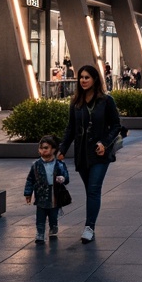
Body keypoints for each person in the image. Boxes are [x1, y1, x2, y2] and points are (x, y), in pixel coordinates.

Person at [58, 64, 122, 243]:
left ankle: (89, 227)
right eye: (81, 77)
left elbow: (116, 125)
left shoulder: (106, 101)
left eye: (87, 77)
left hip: (100, 153)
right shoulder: (76, 103)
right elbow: (71, 128)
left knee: (94, 189)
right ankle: (90, 222)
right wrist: (62, 149)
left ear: (95, 79)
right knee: (90, 190)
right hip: (82, 153)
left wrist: (105, 143)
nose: (83, 80)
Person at [24, 134, 70, 243]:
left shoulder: (59, 164)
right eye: (41, 148)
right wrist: (28, 193)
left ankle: (53, 227)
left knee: (53, 215)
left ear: (53, 149)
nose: (42, 150)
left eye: (46, 148)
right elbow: (30, 179)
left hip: (54, 195)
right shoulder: (36, 164)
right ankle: (40, 233)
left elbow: (66, 177)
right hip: (40, 195)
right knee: (40, 216)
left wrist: (62, 178)